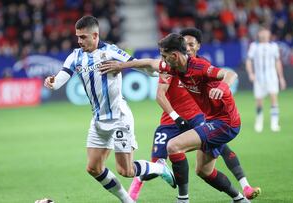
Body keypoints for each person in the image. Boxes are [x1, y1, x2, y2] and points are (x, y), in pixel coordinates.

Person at [100, 33, 251, 202]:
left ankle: (182, 199)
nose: (162, 59)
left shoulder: (200, 66)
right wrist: (121, 66)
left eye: (164, 55)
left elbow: (230, 75)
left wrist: (222, 88)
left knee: (174, 146)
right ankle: (240, 199)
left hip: (226, 122)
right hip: (212, 120)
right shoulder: (172, 67)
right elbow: (149, 63)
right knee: (204, 171)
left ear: (174, 55)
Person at [41, 15, 176, 203]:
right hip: (98, 120)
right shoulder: (75, 56)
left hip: (119, 118)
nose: (79, 41)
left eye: (83, 37)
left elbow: (140, 65)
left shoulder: (111, 52)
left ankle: (159, 168)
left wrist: (159, 68)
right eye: (78, 37)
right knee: (93, 168)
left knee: (126, 171)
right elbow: (58, 80)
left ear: (95, 35)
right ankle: (128, 201)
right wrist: (52, 81)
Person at [245, 26, 286, 133]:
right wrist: (250, 73)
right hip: (259, 79)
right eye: (261, 32)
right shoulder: (254, 46)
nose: (263, 34)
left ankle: (274, 123)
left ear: (269, 33)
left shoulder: (273, 46)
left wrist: (281, 77)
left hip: (272, 78)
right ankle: (259, 122)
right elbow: (249, 60)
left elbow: (278, 62)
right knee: (259, 101)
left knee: (273, 99)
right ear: (259, 34)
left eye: (265, 32)